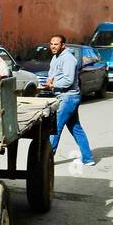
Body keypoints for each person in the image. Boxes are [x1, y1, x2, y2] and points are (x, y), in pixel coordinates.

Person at [43, 35, 95, 166]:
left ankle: (46, 161)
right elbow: (53, 74)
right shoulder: (55, 57)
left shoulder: (68, 59)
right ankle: (88, 158)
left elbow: (68, 80)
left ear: (63, 45)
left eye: (56, 44)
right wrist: (50, 80)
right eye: (51, 44)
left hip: (68, 97)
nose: (53, 46)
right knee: (76, 128)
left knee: (54, 129)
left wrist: (53, 85)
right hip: (63, 96)